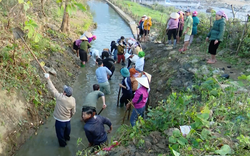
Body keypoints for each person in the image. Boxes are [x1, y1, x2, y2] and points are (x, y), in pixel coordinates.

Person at [44, 73, 76, 147]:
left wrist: (48, 78)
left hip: (59, 122)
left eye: (64, 91)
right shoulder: (73, 100)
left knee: (60, 136)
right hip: (68, 121)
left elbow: (53, 89)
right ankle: (67, 140)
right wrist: (69, 116)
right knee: (67, 134)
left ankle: (63, 146)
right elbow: (73, 111)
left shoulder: (60, 97)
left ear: (64, 93)